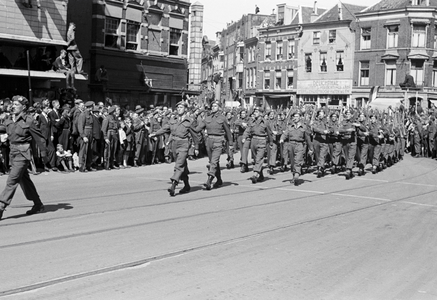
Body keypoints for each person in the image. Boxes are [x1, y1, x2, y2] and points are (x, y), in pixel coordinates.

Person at [0, 96, 48, 220]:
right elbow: (3, 128)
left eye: (16, 104)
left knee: (12, 180)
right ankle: (38, 205)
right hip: (13, 153)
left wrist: (44, 155)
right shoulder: (10, 119)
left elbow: (40, 138)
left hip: (23, 154)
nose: (13, 106)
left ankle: (1, 206)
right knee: (24, 180)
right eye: (13, 104)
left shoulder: (29, 120)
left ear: (23, 107)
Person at [149, 101, 197, 196]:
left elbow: (195, 135)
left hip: (183, 144)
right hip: (174, 144)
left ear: (185, 109)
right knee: (182, 165)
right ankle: (186, 185)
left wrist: (196, 147)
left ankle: (173, 185)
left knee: (178, 166)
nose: (179, 109)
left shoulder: (189, 121)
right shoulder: (173, 119)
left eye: (181, 107)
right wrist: (156, 133)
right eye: (178, 107)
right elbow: (165, 128)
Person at [192, 100, 233, 190]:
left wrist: (230, 143)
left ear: (219, 107)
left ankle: (209, 180)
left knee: (214, 162)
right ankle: (219, 180)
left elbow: (228, 132)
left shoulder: (222, 118)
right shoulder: (207, 118)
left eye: (215, 106)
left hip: (218, 141)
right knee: (213, 162)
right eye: (212, 106)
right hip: (209, 141)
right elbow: (197, 129)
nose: (213, 107)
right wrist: (189, 125)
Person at [280, 111, 313, 186]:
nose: (295, 118)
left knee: (298, 160)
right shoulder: (290, 126)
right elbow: (285, 134)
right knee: (292, 162)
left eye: (297, 116)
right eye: (294, 116)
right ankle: (294, 175)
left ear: (300, 118)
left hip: (300, 145)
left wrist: (311, 148)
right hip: (291, 145)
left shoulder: (304, 127)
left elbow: (308, 139)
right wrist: (282, 139)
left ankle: (297, 176)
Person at [242, 107, 273, 183]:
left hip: (262, 141)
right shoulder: (252, 122)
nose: (254, 113)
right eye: (254, 111)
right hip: (253, 141)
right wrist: (244, 137)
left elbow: (269, 133)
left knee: (259, 158)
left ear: (261, 114)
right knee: (256, 159)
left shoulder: (265, 122)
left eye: (256, 111)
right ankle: (261, 175)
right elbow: (247, 130)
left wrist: (271, 143)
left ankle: (255, 174)